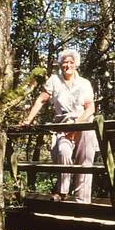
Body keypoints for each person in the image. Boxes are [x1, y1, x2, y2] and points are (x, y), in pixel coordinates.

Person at [20, 48, 97, 203]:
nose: (67, 65)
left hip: (83, 123)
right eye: (64, 62)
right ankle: (62, 192)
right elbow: (41, 100)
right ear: (60, 64)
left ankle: (82, 200)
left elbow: (91, 108)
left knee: (85, 161)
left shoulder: (84, 83)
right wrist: (28, 119)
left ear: (76, 65)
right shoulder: (54, 80)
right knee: (63, 151)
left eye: (71, 62)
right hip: (63, 124)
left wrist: (77, 124)